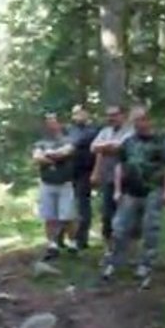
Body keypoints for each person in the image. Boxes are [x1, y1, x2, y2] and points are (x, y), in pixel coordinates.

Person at [101, 106, 165, 284]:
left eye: (141, 120)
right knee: (119, 227)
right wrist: (117, 189)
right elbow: (120, 166)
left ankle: (146, 264)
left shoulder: (160, 141)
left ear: (148, 121)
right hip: (129, 191)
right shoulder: (128, 142)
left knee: (150, 229)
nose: (138, 124)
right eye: (134, 121)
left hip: (152, 190)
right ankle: (114, 262)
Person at [33, 113, 77, 260]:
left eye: (53, 122)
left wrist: (50, 155)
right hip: (47, 183)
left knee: (68, 215)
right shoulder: (41, 142)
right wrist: (52, 156)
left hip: (65, 183)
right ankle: (52, 244)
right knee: (49, 216)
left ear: (59, 123)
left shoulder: (68, 139)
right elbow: (37, 157)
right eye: (48, 122)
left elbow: (66, 152)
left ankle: (72, 243)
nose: (51, 125)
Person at [90, 104, 134, 246]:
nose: (111, 118)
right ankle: (109, 248)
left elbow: (122, 146)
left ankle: (127, 249)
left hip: (127, 179)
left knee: (127, 214)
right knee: (107, 213)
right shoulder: (105, 131)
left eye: (115, 114)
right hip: (107, 178)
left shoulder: (131, 131)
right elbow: (93, 147)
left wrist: (104, 147)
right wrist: (108, 146)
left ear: (123, 115)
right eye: (109, 115)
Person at [67, 105, 100, 250]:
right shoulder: (69, 130)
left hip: (85, 172)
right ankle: (65, 238)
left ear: (87, 114)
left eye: (80, 113)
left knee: (82, 206)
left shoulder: (93, 130)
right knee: (67, 206)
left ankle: (81, 239)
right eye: (74, 114)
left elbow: (78, 142)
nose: (77, 116)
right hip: (69, 172)